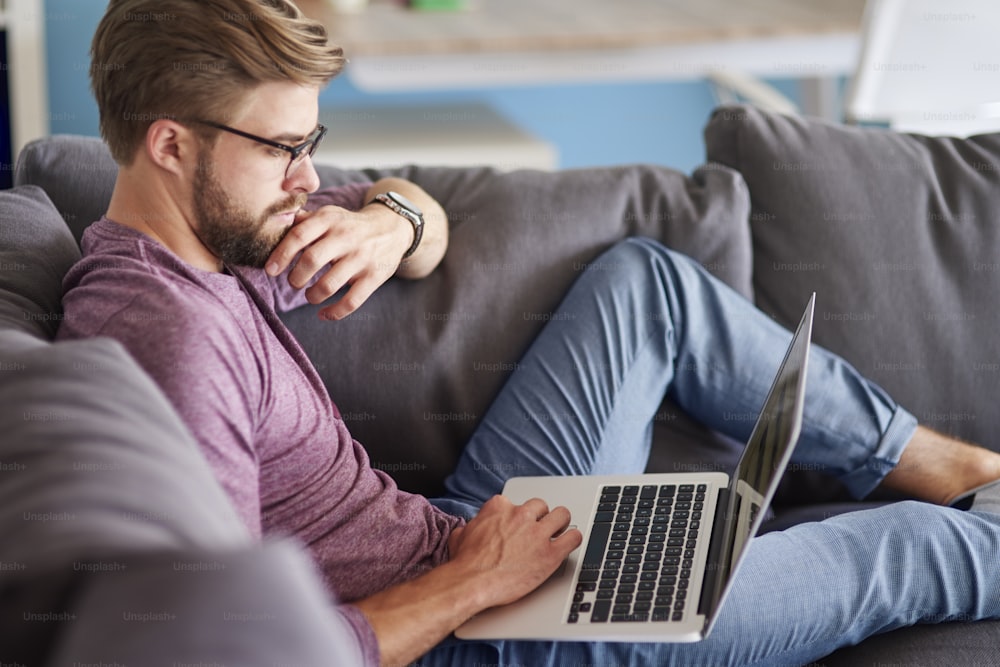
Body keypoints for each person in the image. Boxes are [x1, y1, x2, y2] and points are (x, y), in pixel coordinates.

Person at [59, 1, 1000, 665]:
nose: (309, 178)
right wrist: (473, 585)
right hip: (475, 634)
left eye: (312, 145)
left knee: (648, 284)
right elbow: (239, 649)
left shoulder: (225, 233)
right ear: (171, 143)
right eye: (282, 151)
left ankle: (954, 464)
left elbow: (413, 212)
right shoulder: (169, 341)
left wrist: (394, 223)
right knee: (907, 551)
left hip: (466, 544)